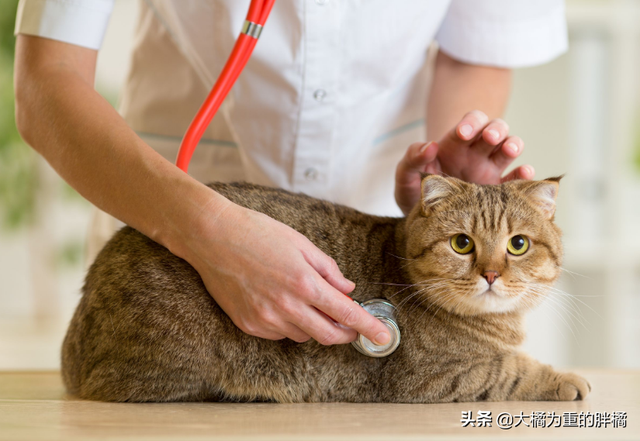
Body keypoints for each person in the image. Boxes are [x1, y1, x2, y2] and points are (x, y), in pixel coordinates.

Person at [13, 0, 567, 348]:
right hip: (175, 233)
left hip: (385, 248)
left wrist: (445, 199)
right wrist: (207, 234)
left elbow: (477, 48)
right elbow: (47, 84)